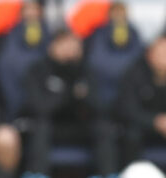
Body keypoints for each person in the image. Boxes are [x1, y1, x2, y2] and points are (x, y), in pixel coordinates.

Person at [22, 29, 117, 176]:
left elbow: (101, 106)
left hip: (80, 126)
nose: (70, 51)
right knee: (40, 126)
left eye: (74, 46)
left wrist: (84, 97)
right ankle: (38, 174)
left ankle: (107, 174)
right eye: (65, 45)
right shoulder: (38, 70)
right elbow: (39, 108)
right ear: (52, 47)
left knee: (103, 127)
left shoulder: (87, 70)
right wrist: (68, 93)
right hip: (52, 126)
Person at [118, 35, 166, 166]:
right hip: (143, 126)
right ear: (149, 55)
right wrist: (155, 121)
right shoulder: (134, 72)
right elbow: (127, 109)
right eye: (161, 53)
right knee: (131, 134)